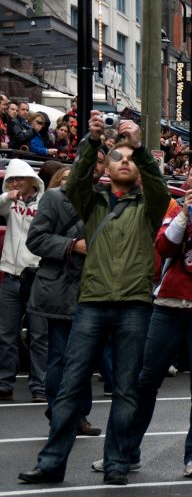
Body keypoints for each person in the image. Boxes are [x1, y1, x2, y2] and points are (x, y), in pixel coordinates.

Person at [19, 112, 171, 486]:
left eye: (129, 160)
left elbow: (161, 189)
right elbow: (73, 189)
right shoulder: (92, 202)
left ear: (136, 171)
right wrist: (91, 142)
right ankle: (52, 463)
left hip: (134, 304)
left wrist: (141, 150)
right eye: (116, 157)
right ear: (106, 166)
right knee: (70, 384)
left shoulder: (148, 206)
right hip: (91, 303)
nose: (123, 162)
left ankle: (117, 463)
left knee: (126, 389)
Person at [109, 166, 192, 479]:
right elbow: (164, 246)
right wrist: (186, 213)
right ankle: (126, 453)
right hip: (168, 305)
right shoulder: (179, 213)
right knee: (146, 381)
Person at [25, 165, 100, 435]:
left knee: (84, 357)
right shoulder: (55, 198)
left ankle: (79, 414)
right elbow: (35, 240)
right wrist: (72, 245)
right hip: (59, 288)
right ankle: (60, 414)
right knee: (60, 356)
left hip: (91, 287)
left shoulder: (99, 198)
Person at [0, 159, 47, 403]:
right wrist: (8, 196)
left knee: (39, 335)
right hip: (10, 273)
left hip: (36, 274)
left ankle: (39, 386)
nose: (15, 183)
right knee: (6, 333)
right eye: (12, 179)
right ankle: (5, 383)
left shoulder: (45, 201)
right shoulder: (9, 203)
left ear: (32, 179)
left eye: (19, 178)